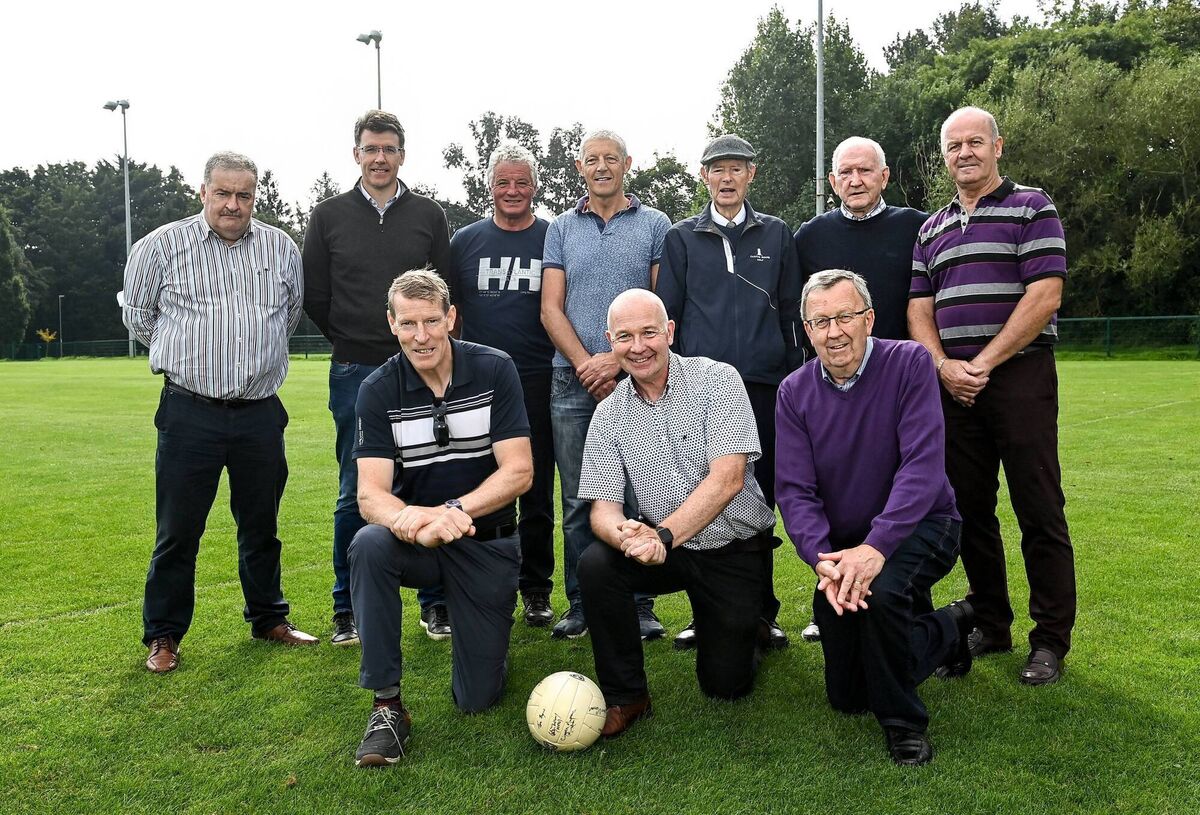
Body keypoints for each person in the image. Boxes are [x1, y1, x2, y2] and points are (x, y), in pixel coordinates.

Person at [122, 151, 316, 674]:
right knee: (178, 531)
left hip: (259, 412)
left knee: (261, 525)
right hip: (190, 412)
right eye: (224, 193)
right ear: (203, 191)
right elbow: (139, 317)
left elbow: (290, 313)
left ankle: (269, 618)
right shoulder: (161, 246)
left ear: (256, 195)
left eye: (245, 195)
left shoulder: (280, 248)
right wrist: (185, 353)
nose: (234, 204)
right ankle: (163, 635)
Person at [776, 269, 972, 766]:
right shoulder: (793, 391)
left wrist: (875, 549)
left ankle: (903, 721)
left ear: (868, 319)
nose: (833, 332)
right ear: (806, 329)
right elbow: (795, 491)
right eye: (820, 322)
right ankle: (949, 631)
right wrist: (824, 560)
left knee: (882, 596)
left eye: (844, 317)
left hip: (927, 525)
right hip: (844, 546)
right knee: (846, 697)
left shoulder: (908, 363)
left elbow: (922, 470)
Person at [908, 106, 1075, 686]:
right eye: (954, 146)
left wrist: (980, 363)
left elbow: (1045, 294)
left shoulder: (1032, 206)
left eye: (975, 143)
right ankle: (992, 622)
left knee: (1038, 508)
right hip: (954, 386)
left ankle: (1050, 640)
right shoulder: (931, 228)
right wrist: (941, 365)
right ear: (945, 156)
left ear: (997, 146)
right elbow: (918, 309)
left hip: (1019, 377)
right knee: (971, 510)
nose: (965, 154)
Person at [348, 270, 533, 767]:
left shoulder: (496, 369)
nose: (422, 336)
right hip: (421, 548)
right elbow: (370, 497)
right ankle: (387, 706)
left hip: (487, 543)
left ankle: (489, 638)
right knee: (369, 543)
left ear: (451, 318)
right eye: (408, 323)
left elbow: (519, 472)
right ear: (392, 324)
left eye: (432, 321)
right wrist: (415, 521)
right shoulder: (378, 389)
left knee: (477, 699)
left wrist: (455, 511)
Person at [576, 289, 779, 738]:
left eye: (649, 332)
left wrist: (662, 535)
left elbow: (728, 479)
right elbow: (602, 508)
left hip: (732, 546)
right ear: (611, 342)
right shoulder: (609, 414)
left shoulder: (718, 380)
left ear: (669, 331)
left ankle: (755, 622)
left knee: (726, 685)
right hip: (664, 548)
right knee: (596, 563)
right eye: (625, 336)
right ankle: (627, 697)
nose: (639, 346)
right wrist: (624, 534)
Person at [303, 110, 452, 647]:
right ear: (357, 154)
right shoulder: (328, 216)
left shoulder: (429, 216)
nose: (380, 158)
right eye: (371, 149)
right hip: (356, 369)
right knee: (357, 489)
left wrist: (423, 347)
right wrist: (355, 337)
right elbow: (315, 295)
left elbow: (443, 290)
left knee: (434, 477)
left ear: (402, 155)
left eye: (389, 149)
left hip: (428, 369)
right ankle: (348, 607)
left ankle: (437, 602)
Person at [656, 134, 801, 651]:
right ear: (704, 176)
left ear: (750, 175)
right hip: (703, 393)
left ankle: (765, 611)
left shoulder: (778, 234)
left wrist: (792, 377)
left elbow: (792, 314)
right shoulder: (681, 238)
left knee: (759, 500)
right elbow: (666, 317)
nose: (726, 178)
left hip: (764, 386)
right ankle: (706, 612)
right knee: (706, 498)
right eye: (717, 169)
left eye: (735, 169)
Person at [791, 136, 928, 643]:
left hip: (902, 380)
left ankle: (910, 601)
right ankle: (831, 591)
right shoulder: (810, 236)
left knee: (906, 486)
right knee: (836, 490)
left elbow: (924, 301)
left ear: (884, 176)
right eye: (845, 173)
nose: (855, 180)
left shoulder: (916, 226)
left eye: (865, 171)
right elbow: (801, 307)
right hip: (836, 383)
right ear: (832, 182)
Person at [540, 129, 671, 640]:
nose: (601, 167)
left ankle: (639, 604)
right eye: (591, 159)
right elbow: (551, 307)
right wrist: (585, 365)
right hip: (571, 383)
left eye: (610, 159)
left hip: (636, 374)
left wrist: (615, 361)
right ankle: (582, 601)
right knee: (579, 499)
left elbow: (663, 304)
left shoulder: (657, 224)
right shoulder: (561, 229)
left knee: (639, 492)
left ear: (626, 164)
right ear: (579, 166)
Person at [448, 141, 556, 628]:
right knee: (477, 488)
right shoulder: (465, 242)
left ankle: (535, 589)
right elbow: (451, 315)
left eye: (522, 182)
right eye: (503, 183)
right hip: (478, 387)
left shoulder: (553, 239)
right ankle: (480, 586)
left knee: (534, 491)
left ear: (535, 186)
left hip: (538, 381)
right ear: (489, 187)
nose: (513, 191)